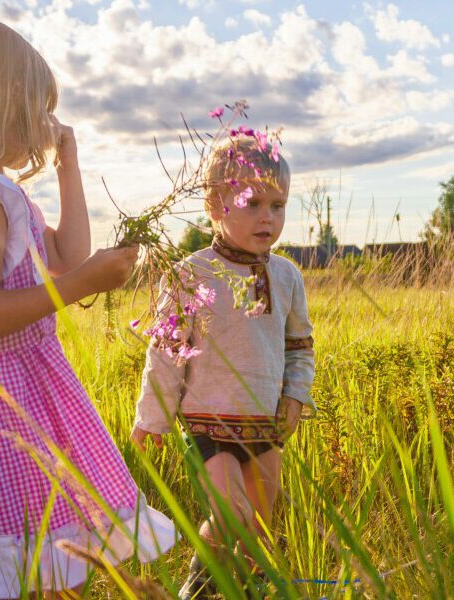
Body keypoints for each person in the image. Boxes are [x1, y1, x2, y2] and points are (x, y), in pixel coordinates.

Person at [0, 18, 176, 599]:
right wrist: (80, 285)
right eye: (39, 107)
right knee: (23, 536)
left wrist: (69, 163)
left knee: (37, 539)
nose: (47, 124)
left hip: (18, 387)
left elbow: (69, 255)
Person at [130, 134, 316, 598]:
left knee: (257, 524)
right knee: (230, 512)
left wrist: (295, 394)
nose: (267, 217)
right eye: (252, 202)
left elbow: (299, 346)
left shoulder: (288, 275)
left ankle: (242, 589)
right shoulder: (189, 273)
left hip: (264, 425)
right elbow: (166, 352)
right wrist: (152, 418)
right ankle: (194, 589)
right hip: (206, 422)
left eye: (278, 205)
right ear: (215, 205)